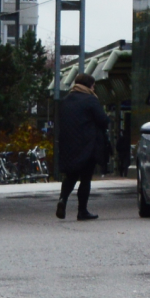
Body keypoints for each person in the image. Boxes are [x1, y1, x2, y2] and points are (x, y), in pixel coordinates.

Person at [55, 75, 111, 221]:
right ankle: (82, 211)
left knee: (71, 175)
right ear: (89, 86)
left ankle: (63, 199)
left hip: (68, 144)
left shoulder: (65, 101)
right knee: (85, 178)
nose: (93, 89)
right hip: (87, 145)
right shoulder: (91, 100)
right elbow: (103, 121)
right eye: (93, 86)